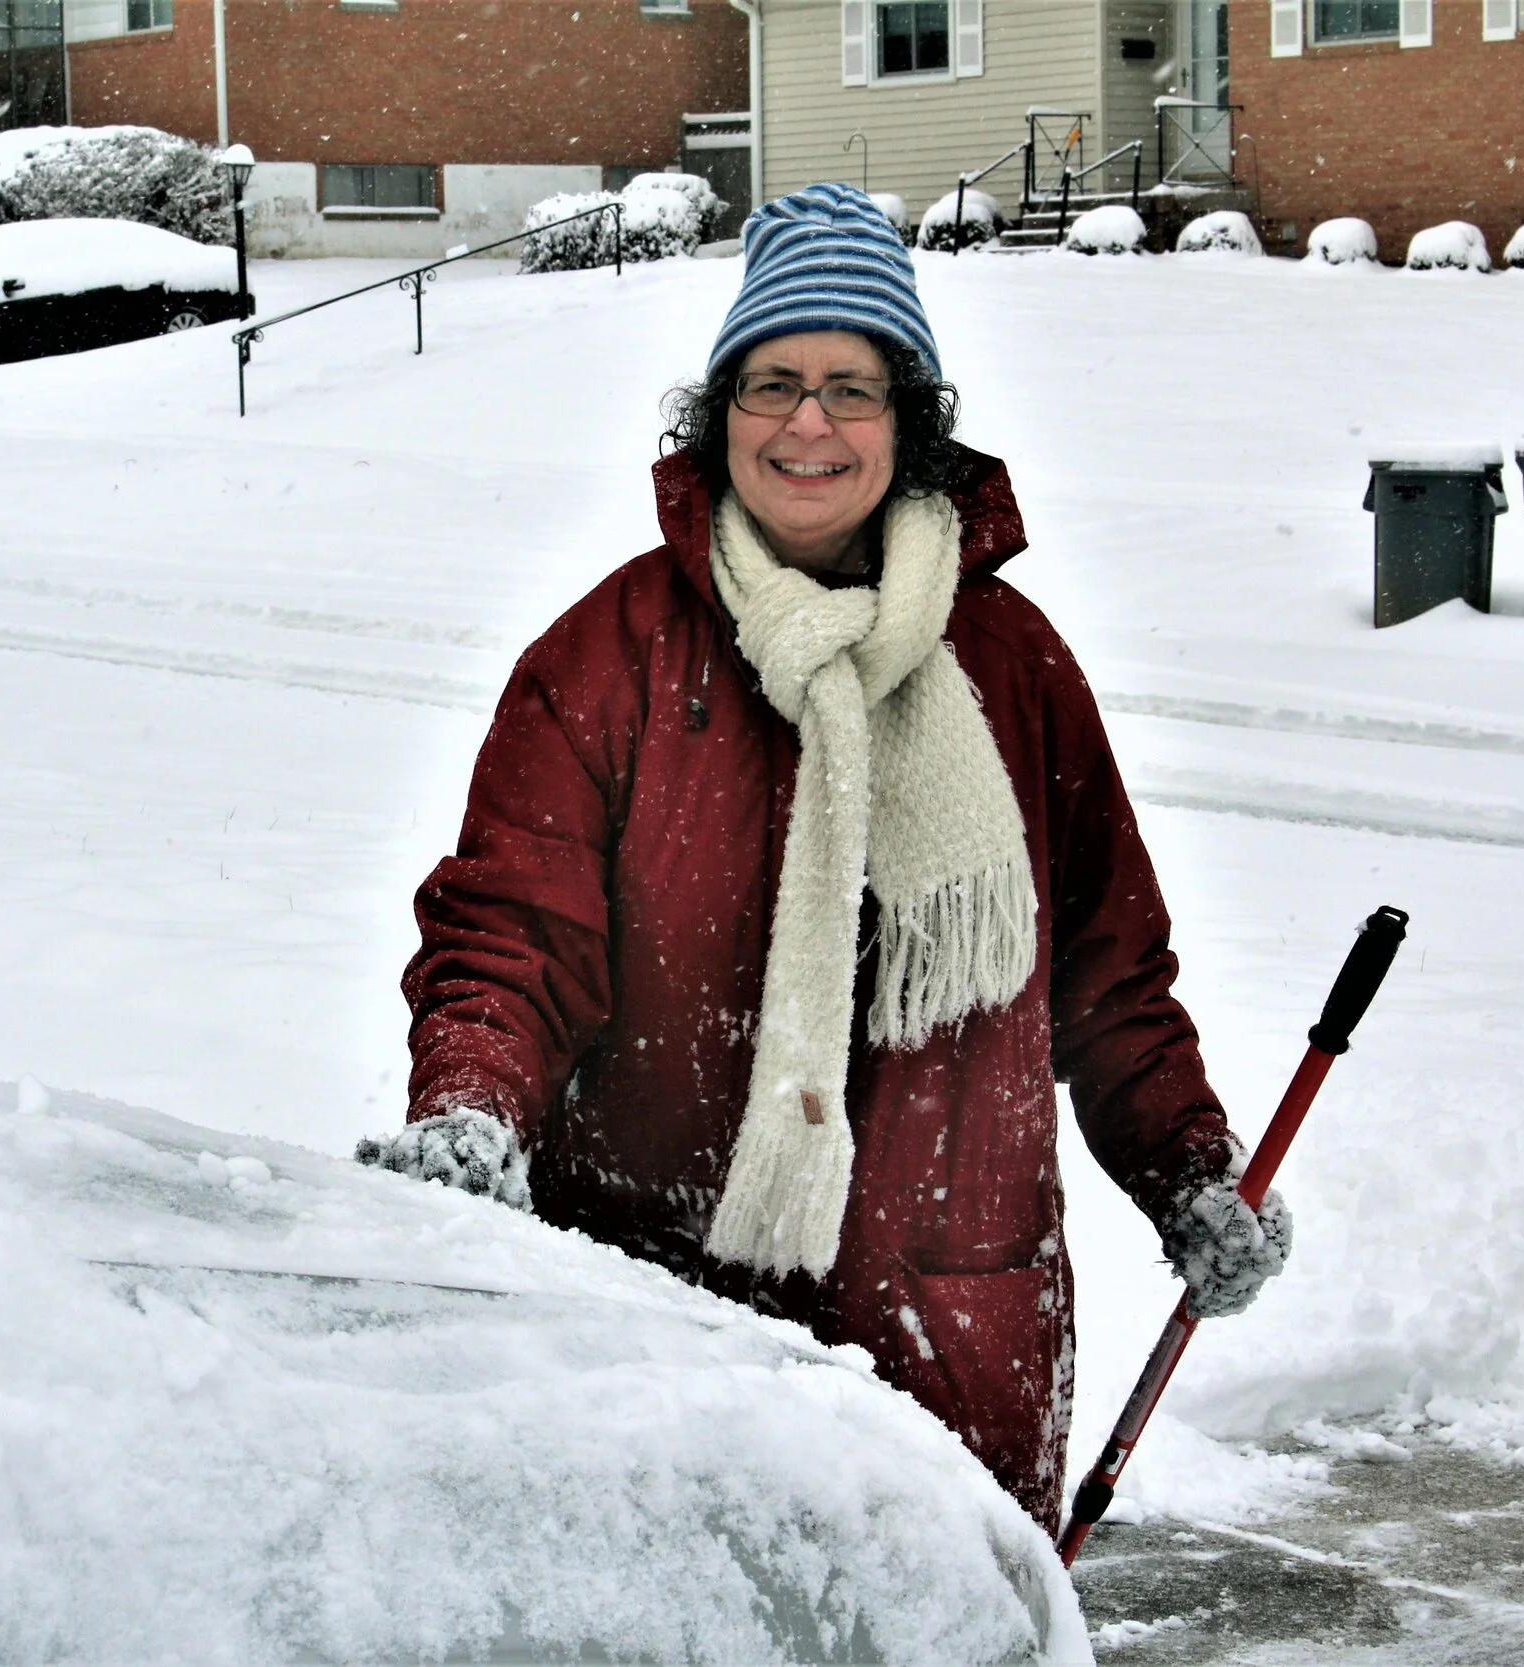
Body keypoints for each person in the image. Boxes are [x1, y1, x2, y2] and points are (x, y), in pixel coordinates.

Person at [360, 183, 1288, 1532]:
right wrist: (472, 1103)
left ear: (911, 425)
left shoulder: (1014, 668)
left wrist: (1191, 1167)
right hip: (663, 1338)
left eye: (851, 386)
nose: (808, 421)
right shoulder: (605, 661)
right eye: (772, 382)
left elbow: (1109, 977)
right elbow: (511, 938)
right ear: (718, 415)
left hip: (954, 1338)